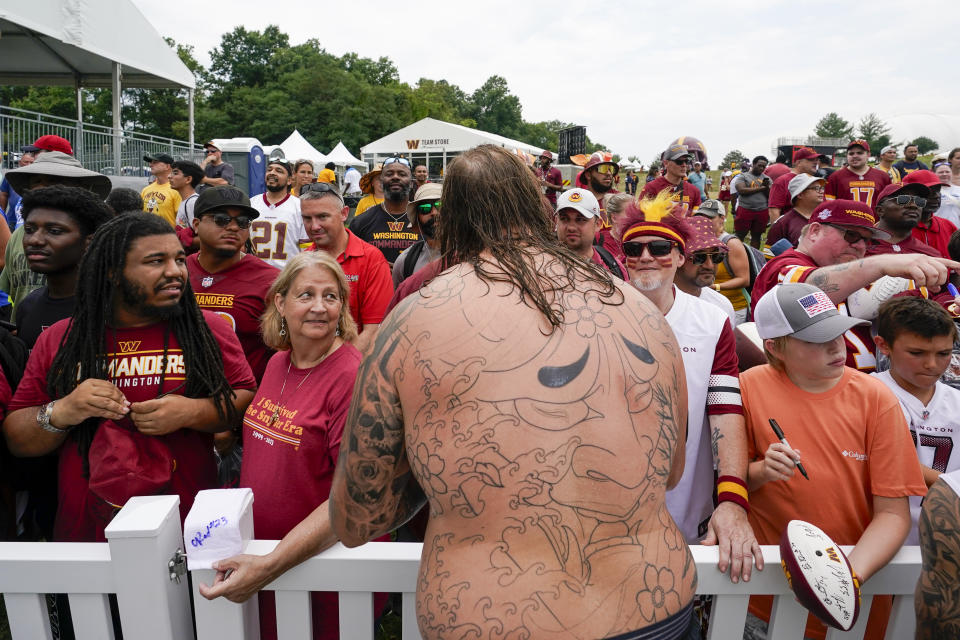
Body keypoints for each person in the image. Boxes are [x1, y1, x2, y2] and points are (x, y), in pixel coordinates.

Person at [329, 145, 699, 640]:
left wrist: (442, 474)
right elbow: (670, 471)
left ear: (451, 217)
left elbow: (359, 517)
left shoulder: (415, 319)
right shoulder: (637, 308)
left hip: (489, 616)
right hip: (654, 605)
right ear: (539, 206)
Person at [2, 212, 256, 542]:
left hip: (188, 530)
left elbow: (244, 397)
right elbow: (16, 438)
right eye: (155, 261)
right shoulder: (61, 338)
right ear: (112, 273)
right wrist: (63, 411)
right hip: (89, 531)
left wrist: (191, 412)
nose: (175, 271)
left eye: (179, 259)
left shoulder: (208, 329)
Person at [197, 251, 378, 640]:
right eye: (306, 295)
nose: (319, 307)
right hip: (268, 559)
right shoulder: (279, 362)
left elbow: (353, 499)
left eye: (331, 297)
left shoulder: (352, 377)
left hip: (322, 568)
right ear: (280, 302)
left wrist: (272, 563)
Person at [741, 282, 925, 640]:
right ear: (774, 347)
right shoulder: (747, 388)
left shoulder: (875, 397)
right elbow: (725, 486)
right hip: (765, 601)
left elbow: (893, 513)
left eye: (838, 331)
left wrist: (841, 582)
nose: (835, 346)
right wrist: (762, 472)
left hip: (857, 601)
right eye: (814, 339)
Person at [621, 191, 761, 580]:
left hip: (685, 504)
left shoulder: (711, 320)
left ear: (681, 257)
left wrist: (733, 499)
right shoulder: (596, 314)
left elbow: (725, 410)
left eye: (660, 247)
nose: (646, 256)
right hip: (610, 505)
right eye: (634, 248)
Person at [750, 199, 960, 373]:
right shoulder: (783, 265)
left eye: (867, 241)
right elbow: (807, 292)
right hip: (811, 394)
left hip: (866, 391)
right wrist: (883, 263)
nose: (860, 246)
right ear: (814, 231)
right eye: (851, 235)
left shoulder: (852, 272)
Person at [872, 297, 960, 544]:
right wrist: (949, 486)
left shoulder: (956, 402)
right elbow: (886, 462)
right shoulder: (863, 393)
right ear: (883, 345)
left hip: (943, 541)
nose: (932, 364)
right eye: (917, 353)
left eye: (943, 353)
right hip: (875, 537)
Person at [1, 151, 112, 315]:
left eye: (53, 181)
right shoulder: (20, 235)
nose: (41, 187)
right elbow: (8, 289)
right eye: (36, 181)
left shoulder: (101, 237)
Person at [187, 186, 279, 383]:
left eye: (243, 222)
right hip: (177, 397)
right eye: (221, 219)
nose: (234, 227)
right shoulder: (176, 272)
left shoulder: (272, 280)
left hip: (241, 399)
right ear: (196, 224)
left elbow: (284, 352)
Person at [16, 186, 114, 349]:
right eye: (29, 230)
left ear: (89, 241)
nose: (35, 240)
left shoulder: (116, 307)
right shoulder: (28, 306)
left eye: (54, 231)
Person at [300, 183, 392, 352]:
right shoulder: (302, 262)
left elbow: (374, 330)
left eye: (322, 217)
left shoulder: (371, 260)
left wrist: (337, 368)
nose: (314, 226)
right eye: (307, 218)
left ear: (344, 214)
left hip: (353, 368)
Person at [348, 156, 419, 266]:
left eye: (402, 174)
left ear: (411, 183)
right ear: (382, 182)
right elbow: (351, 262)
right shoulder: (361, 222)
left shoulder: (424, 219)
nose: (395, 177)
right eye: (389, 174)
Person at [696, 199, 751, 325]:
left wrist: (715, 287)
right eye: (701, 217)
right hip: (707, 307)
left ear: (722, 218)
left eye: (709, 217)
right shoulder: (699, 242)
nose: (704, 221)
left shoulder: (731, 243)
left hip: (733, 308)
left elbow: (744, 279)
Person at [674, 216, 736, 324]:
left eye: (716, 256)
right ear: (678, 258)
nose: (710, 265)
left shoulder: (722, 307)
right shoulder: (656, 307)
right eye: (699, 257)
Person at [555, 188, 627, 279]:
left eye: (580, 220)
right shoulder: (541, 266)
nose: (571, 227)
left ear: (598, 224)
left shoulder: (613, 266)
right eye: (564, 219)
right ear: (556, 221)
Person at [249, 159, 308, 269]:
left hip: (286, 277)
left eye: (279, 171)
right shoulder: (252, 203)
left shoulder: (300, 207)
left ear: (289, 180)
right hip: (254, 275)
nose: (272, 173)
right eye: (269, 170)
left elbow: (306, 249)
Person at [866, 182, 940, 257]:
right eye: (903, 199)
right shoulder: (860, 248)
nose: (913, 205)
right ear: (880, 210)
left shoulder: (929, 255)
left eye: (919, 201)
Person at [392, 183, 441, 287]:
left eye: (440, 205)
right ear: (417, 218)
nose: (434, 212)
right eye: (425, 208)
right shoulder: (405, 261)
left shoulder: (471, 255)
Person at [900, 170, 957, 258]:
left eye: (938, 190)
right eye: (928, 191)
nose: (936, 195)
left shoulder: (948, 226)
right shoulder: (895, 229)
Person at [825, 139, 891, 210]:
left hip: (874, 221)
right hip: (845, 221)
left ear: (868, 154)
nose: (855, 156)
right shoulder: (835, 177)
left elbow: (889, 204)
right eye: (851, 153)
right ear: (847, 155)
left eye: (860, 153)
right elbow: (828, 206)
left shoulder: (883, 177)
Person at [765, 174, 825, 248]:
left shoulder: (825, 219)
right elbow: (770, 257)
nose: (822, 191)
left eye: (822, 188)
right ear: (800, 194)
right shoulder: (782, 224)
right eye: (816, 188)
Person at [641, 144, 702, 214]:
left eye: (686, 161)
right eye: (679, 161)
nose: (684, 165)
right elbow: (639, 217)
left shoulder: (694, 191)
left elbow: (697, 220)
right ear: (666, 163)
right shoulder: (651, 188)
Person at [767, 147, 819, 220]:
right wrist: (779, 230)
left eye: (817, 159)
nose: (816, 162)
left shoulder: (815, 181)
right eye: (810, 159)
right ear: (798, 162)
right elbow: (774, 210)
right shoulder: (783, 181)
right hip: (791, 228)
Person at [731, 156, 771, 250]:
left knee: (757, 236)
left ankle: (754, 256)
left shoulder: (767, 179)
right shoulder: (743, 176)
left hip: (762, 210)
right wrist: (761, 188)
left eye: (763, 167)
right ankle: (737, 254)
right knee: (740, 235)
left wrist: (767, 188)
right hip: (745, 209)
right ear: (753, 164)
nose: (761, 168)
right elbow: (742, 190)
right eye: (759, 165)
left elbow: (770, 195)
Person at [170, 160, 204, 252]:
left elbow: (205, 237)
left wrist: (181, 242)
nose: (169, 176)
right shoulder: (185, 201)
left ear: (188, 179)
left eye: (175, 173)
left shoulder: (193, 202)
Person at [141, 153, 181, 226]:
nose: (150, 165)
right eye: (150, 162)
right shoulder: (145, 190)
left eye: (155, 162)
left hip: (168, 236)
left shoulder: (177, 189)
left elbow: (182, 221)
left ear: (167, 166)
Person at [0, 149, 36, 230]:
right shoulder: (11, 176)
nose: (28, 165)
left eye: (31, 162)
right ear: (20, 163)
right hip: (12, 219)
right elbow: (4, 194)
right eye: (25, 162)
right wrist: (2, 214)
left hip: (31, 218)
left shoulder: (39, 177)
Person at [936, 158, 960, 227]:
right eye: (941, 172)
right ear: (935, 174)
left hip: (956, 232)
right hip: (938, 230)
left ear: (951, 173)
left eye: (947, 172)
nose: (944, 174)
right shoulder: (931, 192)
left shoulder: (959, 190)